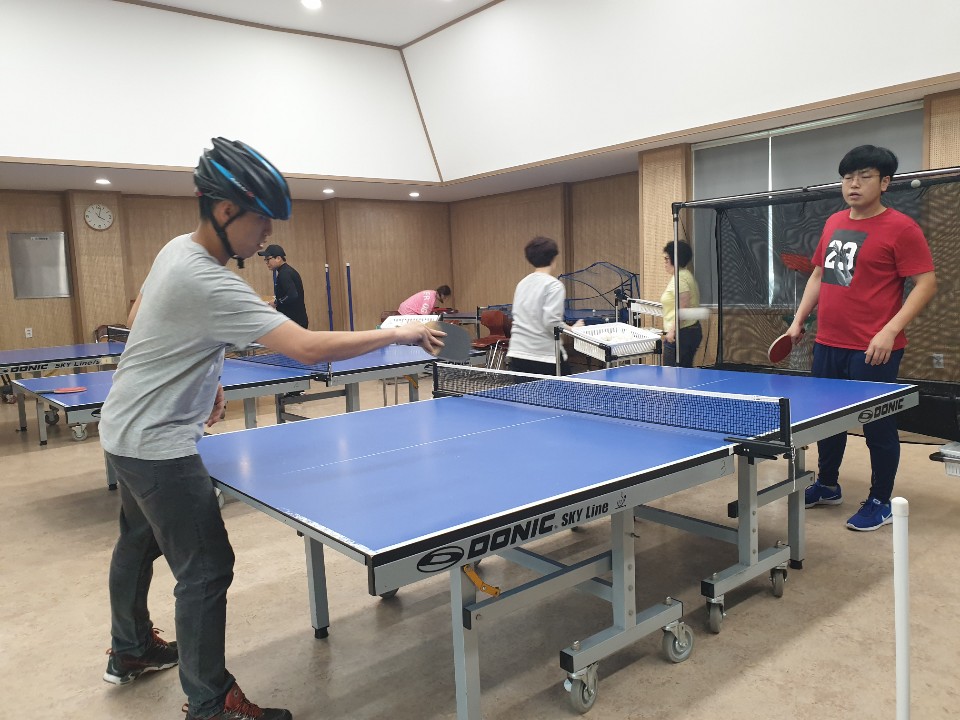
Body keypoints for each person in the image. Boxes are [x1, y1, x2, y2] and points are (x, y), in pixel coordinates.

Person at [98, 137, 444, 720]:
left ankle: (130, 648)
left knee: (138, 541)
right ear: (224, 210)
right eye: (261, 220)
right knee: (206, 568)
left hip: (123, 431)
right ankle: (210, 703)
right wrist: (397, 332)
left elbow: (141, 318)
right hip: (158, 444)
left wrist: (203, 375)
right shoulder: (210, 280)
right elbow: (306, 347)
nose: (266, 236)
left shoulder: (177, 250)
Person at [787, 145, 936, 532]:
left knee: (877, 427)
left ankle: (880, 500)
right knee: (827, 421)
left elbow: (925, 283)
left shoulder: (902, 228)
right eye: (848, 177)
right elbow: (819, 275)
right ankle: (827, 484)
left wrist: (890, 330)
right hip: (828, 344)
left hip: (873, 350)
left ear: (884, 183)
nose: (853, 184)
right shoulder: (835, 222)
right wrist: (798, 321)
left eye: (864, 176)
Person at [506, 236, 582, 375]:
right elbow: (551, 322)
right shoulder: (554, 285)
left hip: (517, 353)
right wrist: (572, 329)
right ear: (553, 259)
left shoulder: (522, 283)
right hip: (544, 356)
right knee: (565, 389)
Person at [660, 240, 702, 367]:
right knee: (683, 373)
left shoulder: (680, 278)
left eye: (667, 259)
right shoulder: (684, 275)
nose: (665, 262)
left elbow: (683, 307)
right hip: (688, 331)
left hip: (681, 334)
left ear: (675, 259)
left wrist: (672, 331)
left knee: (671, 374)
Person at [258, 243, 308, 328]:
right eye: (265, 260)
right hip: (296, 321)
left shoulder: (284, 274)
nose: (266, 262)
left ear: (278, 258)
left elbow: (292, 295)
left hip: (295, 322)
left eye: (268, 259)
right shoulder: (286, 271)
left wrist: (277, 302)